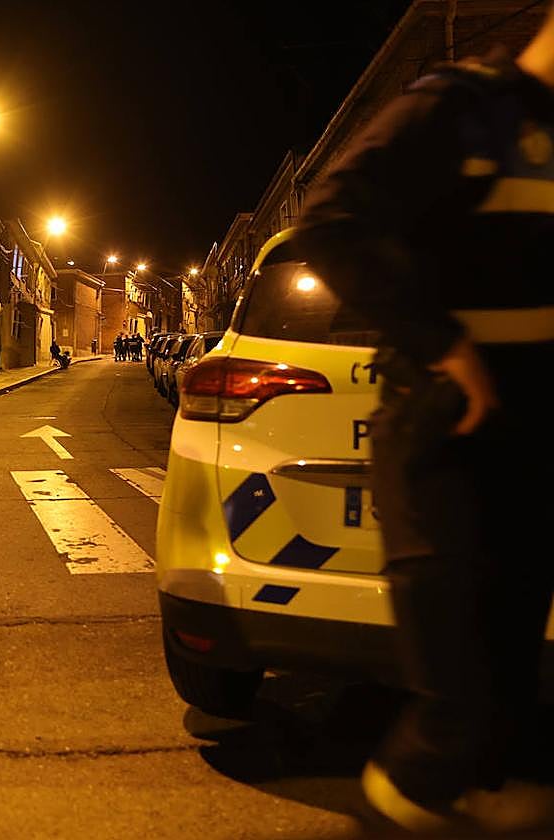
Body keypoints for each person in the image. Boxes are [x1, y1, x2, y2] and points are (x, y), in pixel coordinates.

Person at [296, 10, 554, 832]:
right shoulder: (461, 109)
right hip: (446, 439)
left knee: (511, 704)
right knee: (456, 715)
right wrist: (443, 343)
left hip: (533, 444)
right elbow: (331, 221)